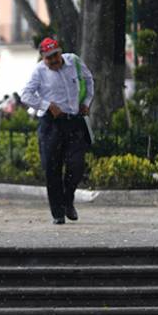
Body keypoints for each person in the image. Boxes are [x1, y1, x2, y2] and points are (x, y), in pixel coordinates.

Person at [21, 37, 94, 225]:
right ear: (43, 58)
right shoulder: (39, 71)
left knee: (76, 165)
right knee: (52, 169)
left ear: (60, 52)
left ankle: (68, 200)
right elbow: (26, 95)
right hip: (51, 124)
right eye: (48, 58)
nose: (53, 61)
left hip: (74, 120)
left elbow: (89, 79)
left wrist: (85, 103)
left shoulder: (74, 62)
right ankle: (57, 212)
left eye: (55, 56)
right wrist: (46, 105)